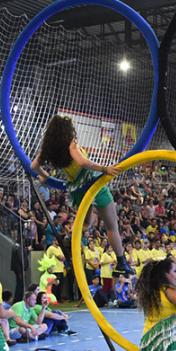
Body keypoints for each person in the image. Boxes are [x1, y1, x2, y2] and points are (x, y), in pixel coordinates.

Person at [30, 115, 133, 277]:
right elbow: (82, 162)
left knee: (89, 222)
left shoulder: (51, 150)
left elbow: (34, 166)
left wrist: (46, 178)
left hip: (78, 190)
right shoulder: (70, 144)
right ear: (67, 131)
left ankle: (70, 236)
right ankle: (121, 262)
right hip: (92, 184)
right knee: (112, 226)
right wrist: (104, 169)